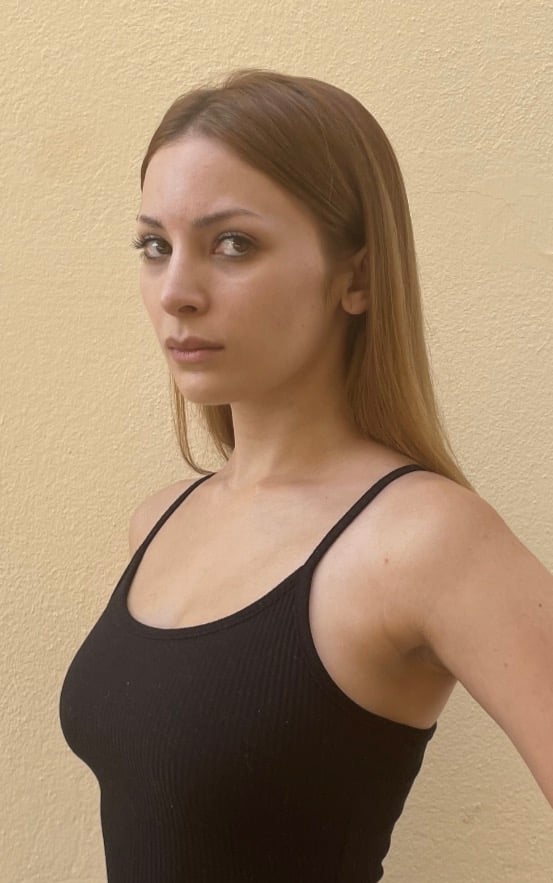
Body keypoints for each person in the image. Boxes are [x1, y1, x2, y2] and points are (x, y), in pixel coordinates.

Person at [59, 68, 553, 882]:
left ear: (355, 277)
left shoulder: (425, 539)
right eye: (155, 246)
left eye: (232, 244)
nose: (176, 292)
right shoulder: (159, 521)